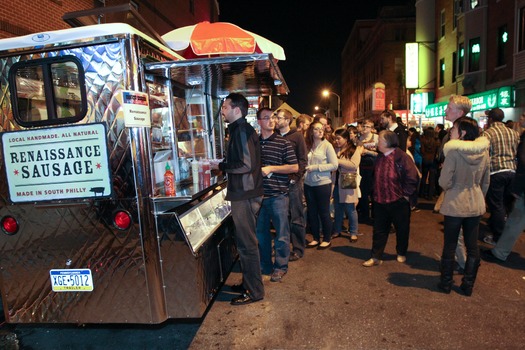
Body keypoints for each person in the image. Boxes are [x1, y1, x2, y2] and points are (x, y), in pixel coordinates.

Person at [217, 93, 265, 306]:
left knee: (247, 245)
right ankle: (249, 283)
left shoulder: (242, 131)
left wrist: (221, 166)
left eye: (225, 107)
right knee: (245, 243)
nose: (223, 111)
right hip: (244, 193)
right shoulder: (239, 130)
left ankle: (254, 292)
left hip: (245, 194)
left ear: (237, 109)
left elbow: (245, 165)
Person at [437, 117, 490, 296]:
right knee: (472, 246)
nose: (451, 131)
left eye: (454, 128)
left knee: (450, 244)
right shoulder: (484, 152)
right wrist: (478, 195)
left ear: (463, 132)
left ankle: (445, 283)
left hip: (454, 202)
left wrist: (451, 185)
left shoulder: (453, 152)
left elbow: (444, 181)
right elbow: (485, 181)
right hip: (475, 202)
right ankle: (468, 285)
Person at [362, 130, 419, 267]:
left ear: (388, 142)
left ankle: (401, 252)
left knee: (402, 228)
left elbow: (412, 178)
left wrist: (405, 195)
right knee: (379, 230)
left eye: (380, 140)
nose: (377, 142)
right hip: (380, 200)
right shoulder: (380, 157)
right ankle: (376, 256)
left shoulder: (402, 157)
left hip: (398, 201)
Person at [255, 108, 298, 282]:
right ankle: (265, 265)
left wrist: (272, 168)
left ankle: (281, 267)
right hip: (258, 196)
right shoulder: (254, 143)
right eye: (266, 117)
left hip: (278, 195)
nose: (271, 120)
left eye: (273, 117)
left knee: (281, 233)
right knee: (261, 234)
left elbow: (294, 167)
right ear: (258, 121)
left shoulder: (283, 143)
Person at [481, 115, 525, 262]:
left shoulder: (487, 133)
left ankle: (498, 240)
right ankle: (500, 245)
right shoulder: (514, 133)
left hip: (496, 172)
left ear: (490, 119)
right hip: (512, 171)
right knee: (507, 208)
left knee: (497, 206)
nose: (521, 118)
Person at [276, 108, 308, 262]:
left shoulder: (297, 136)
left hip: (293, 183)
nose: (276, 120)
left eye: (279, 117)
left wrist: (295, 177)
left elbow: (303, 160)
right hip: (277, 182)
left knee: (296, 216)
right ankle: (283, 247)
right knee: (281, 216)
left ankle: (298, 248)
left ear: (287, 120)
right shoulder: (274, 136)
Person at [434, 95, 473, 213]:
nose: (445, 110)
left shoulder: (464, 135)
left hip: (458, 197)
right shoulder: (452, 132)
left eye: (449, 108)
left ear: (460, 112)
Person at [304, 121, 338, 249]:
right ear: (311, 131)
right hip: (308, 183)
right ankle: (315, 237)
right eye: (317, 129)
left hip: (322, 183)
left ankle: (327, 238)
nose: (320, 131)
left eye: (321, 129)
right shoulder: (308, 145)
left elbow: (334, 165)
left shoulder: (327, 146)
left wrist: (316, 167)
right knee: (311, 212)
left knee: (324, 211)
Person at [331, 127, 363, 242]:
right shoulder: (335, 150)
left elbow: (354, 165)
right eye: (335, 139)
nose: (337, 141)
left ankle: (353, 232)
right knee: (337, 208)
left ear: (345, 138)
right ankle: (337, 230)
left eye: (338, 139)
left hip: (348, 181)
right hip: (336, 181)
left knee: (350, 208)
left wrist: (337, 161)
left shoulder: (353, 150)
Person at [357, 118, 379, 224]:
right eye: (364, 126)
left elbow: (380, 153)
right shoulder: (359, 138)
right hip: (362, 168)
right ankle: (365, 214)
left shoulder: (376, 138)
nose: (365, 128)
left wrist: (368, 152)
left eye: (367, 126)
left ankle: (375, 215)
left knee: (374, 191)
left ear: (372, 128)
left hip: (374, 168)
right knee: (363, 192)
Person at [419, 127, 440, 200]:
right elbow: (438, 152)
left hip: (425, 160)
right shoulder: (436, 141)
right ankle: (430, 195)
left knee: (424, 177)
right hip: (433, 160)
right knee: (432, 178)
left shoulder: (423, 140)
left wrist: (424, 155)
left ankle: (421, 193)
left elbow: (422, 151)